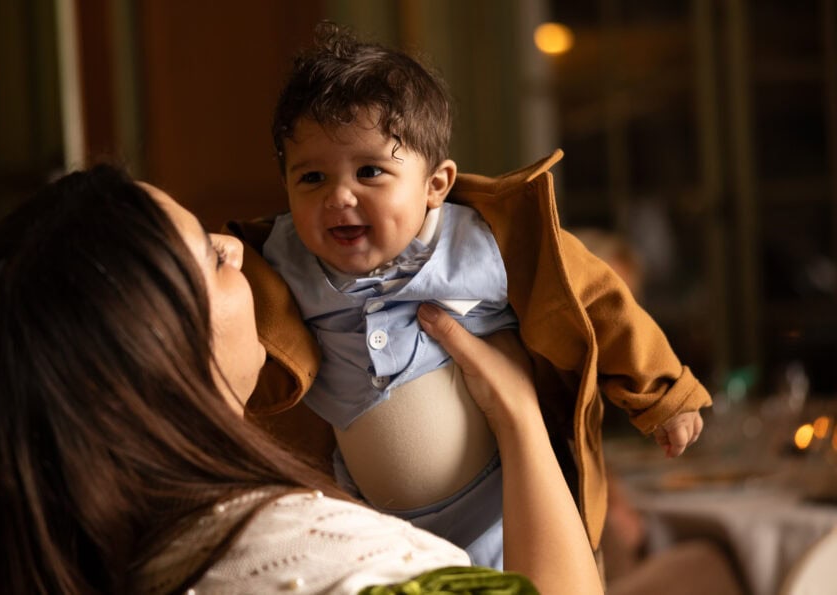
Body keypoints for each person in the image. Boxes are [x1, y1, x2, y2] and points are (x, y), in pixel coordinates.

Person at [0, 164, 601, 594]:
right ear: (160, 350)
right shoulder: (326, 564)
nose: (235, 247)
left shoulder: (112, 561)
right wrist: (519, 417)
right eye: (207, 253)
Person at [227, 22, 711, 567]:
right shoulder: (280, 259)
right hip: (369, 526)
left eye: (370, 171)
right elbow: (217, 291)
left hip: (500, 511)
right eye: (311, 178)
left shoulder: (479, 242)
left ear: (436, 185)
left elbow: (597, 300)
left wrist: (663, 391)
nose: (339, 197)